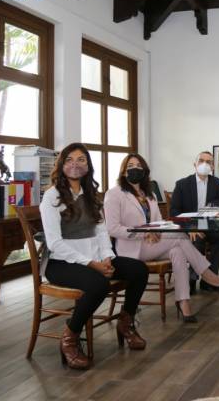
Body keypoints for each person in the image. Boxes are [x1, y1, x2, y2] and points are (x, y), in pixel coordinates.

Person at [40, 143, 148, 370]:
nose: (75, 164)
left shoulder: (91, 195)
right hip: (61, 263)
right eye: (69, 160)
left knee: (139, 270)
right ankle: (69, 338)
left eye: (81, 160)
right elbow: (55, 243)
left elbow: (101, 232)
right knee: (99, 284)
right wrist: (92, 264)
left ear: (88, 166)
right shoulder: (51, 197)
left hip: (95, 259)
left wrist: (107, 257)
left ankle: (126, 323)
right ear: (61, 165)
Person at [105, 154, 219, 324]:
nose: (135, 169)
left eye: (139, 166)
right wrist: (144, 233)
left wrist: (158, 231)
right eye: (130, 166)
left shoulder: (149, 195)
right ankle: (207, 274)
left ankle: (183, 302)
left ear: (144, 171)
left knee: (178, 251)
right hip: (132, 249)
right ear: (123, 171)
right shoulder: (114, 194)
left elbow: (159, 221)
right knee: (180, 236)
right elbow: (112, 228)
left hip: (154, 243)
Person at [170, 151, 219, 294]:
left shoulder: (217, 183)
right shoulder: (182, 184)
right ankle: (191, 280)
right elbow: (174, 211)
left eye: (208, 162)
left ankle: (208, 280)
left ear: (212, 167)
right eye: (201, 160)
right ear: (194, 164)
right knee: (198, 240)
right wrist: (189, 228)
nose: (204, 164)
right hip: (188, 226)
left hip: (208, 224)